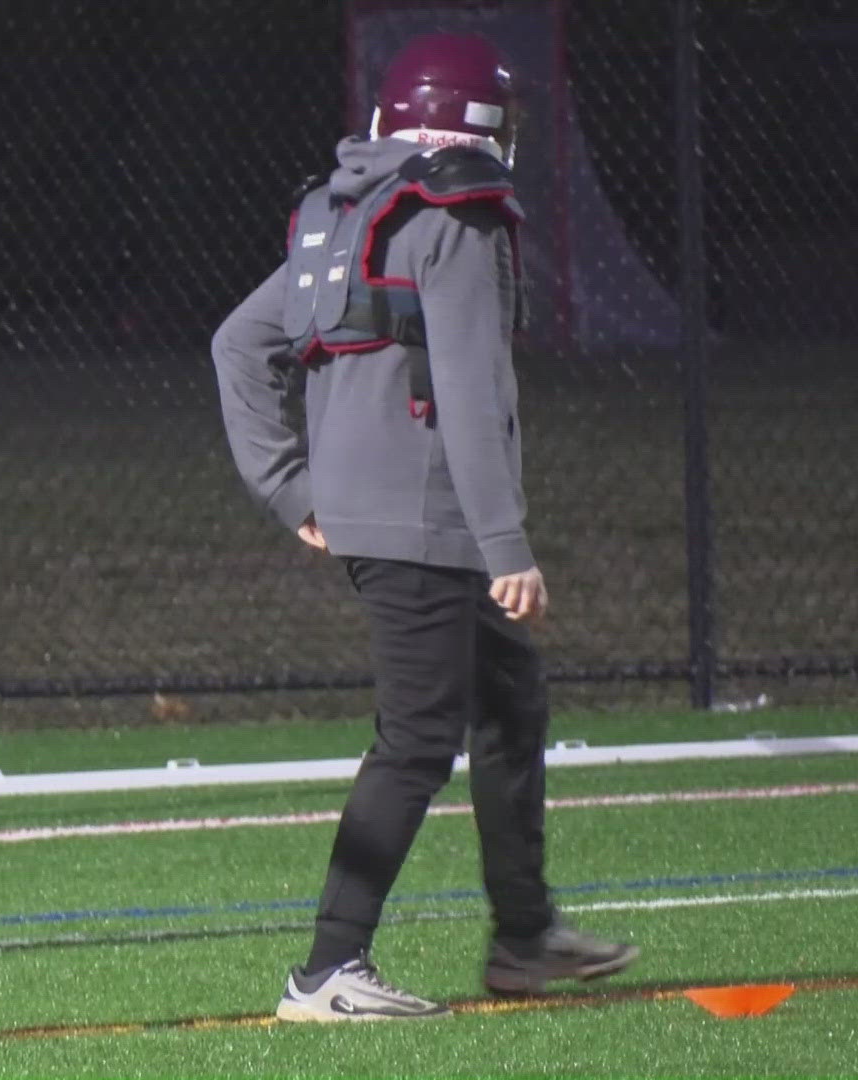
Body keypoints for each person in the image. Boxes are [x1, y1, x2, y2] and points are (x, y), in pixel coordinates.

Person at [209, 32, 638, 1021]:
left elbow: (237, 345)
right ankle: (328, 969)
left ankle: (524, 937)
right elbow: (471, 393)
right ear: (475, 123)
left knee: (510, 701)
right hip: (424, 517)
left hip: (377, 515)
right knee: (414, 740)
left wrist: (291, 487)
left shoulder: (347, 210)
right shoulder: (458, 218)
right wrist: (507, 545)